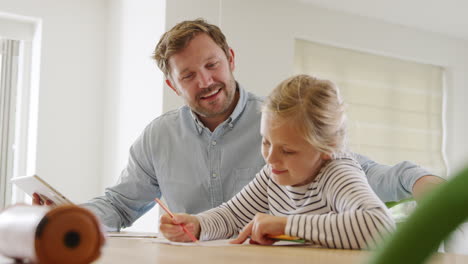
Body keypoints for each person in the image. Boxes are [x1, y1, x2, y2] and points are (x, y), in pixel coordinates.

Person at [33, 19, 443, 231]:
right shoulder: (157, 138)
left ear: (230, 58)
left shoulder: (281, 124)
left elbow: (361, 172)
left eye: (211, 65)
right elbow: (120, 205)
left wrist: (423, 183)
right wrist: (69, 215)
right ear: (172, 84)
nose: (206, 81)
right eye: (188, 75)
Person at [159, 74, 396, 249]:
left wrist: (284, 225)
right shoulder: (273, 174)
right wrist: (197, 225)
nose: (271, 158)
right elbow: (233, 216)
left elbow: (380, 226)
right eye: (266, 142)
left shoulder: (336, 172)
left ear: (327, 148)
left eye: (288, 151)